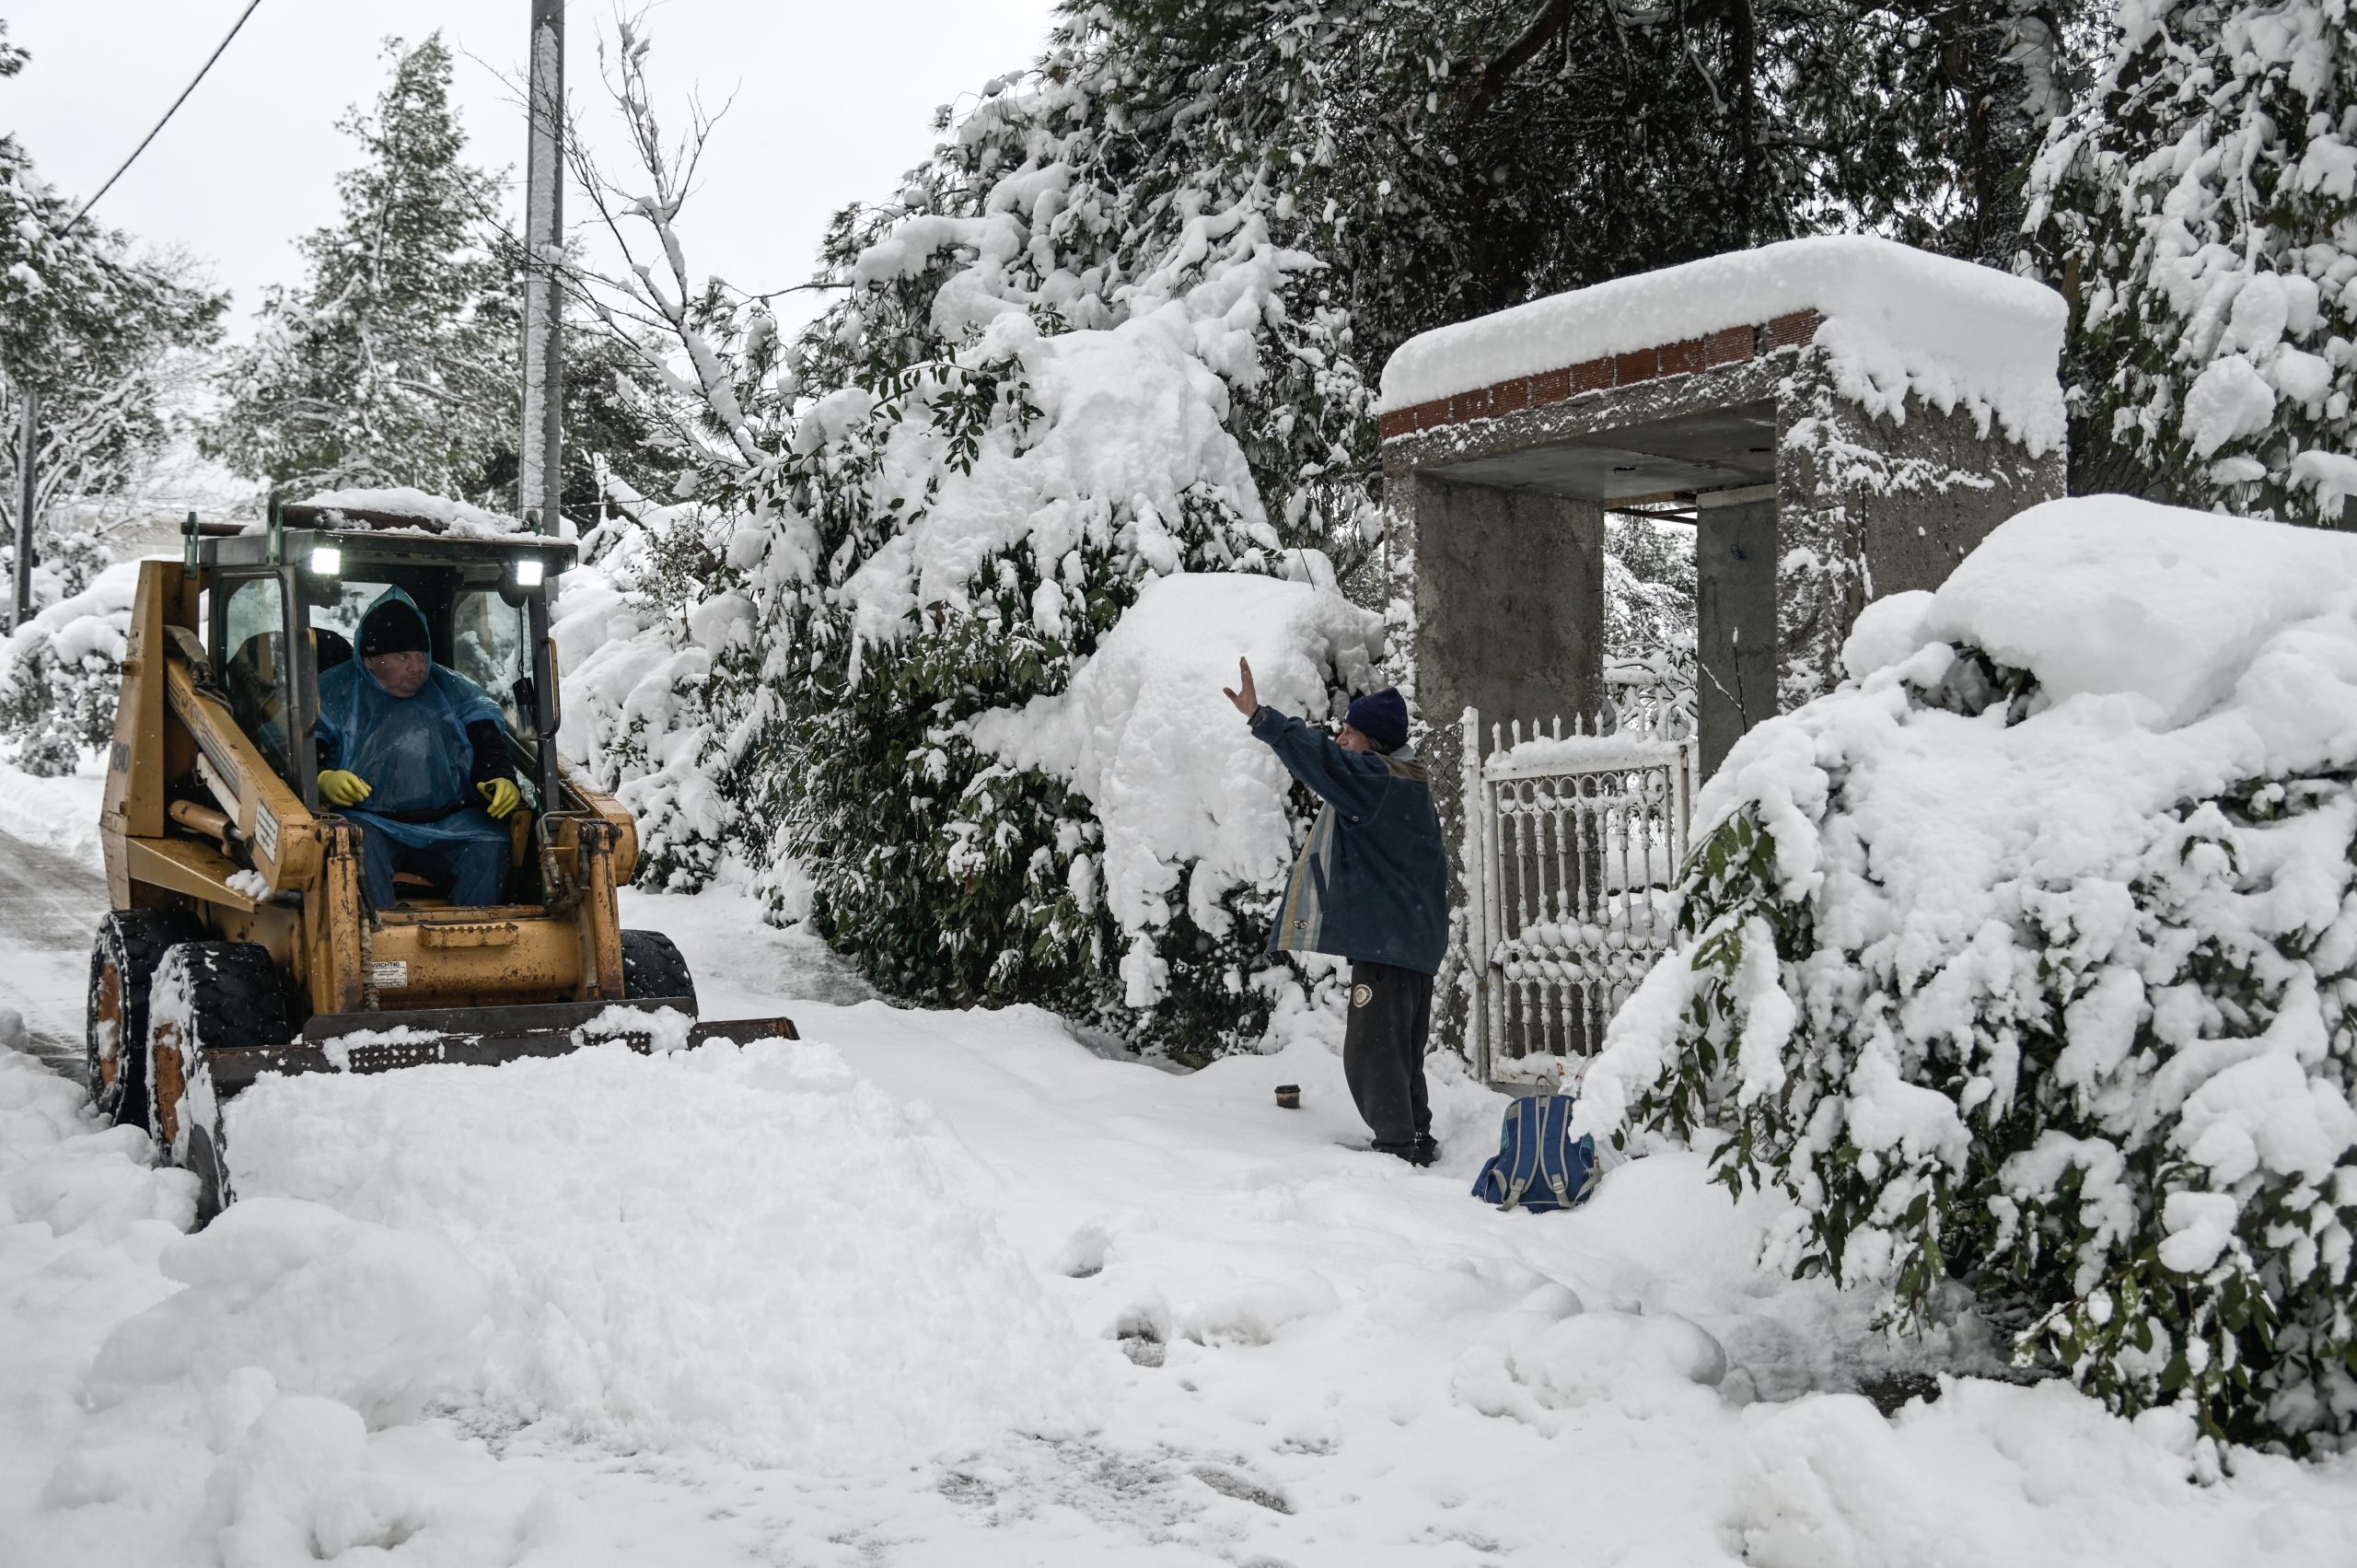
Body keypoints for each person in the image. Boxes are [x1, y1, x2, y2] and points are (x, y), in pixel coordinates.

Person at [1224, 658, 1448, 1164]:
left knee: (1371, 1051)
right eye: (1343, 731)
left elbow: (1323, 761)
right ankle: (1414, 1137)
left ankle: (1397, 1148)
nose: (1343, 739)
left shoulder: (1377, 781)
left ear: (1375, 742)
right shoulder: (1407, 781)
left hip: (1392, 942)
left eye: (1351, 732)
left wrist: (1262, 717)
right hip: (1411, 938)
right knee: (1400, 1051)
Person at [315, 587, 523, 908]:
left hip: (454, 824)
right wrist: (322, 778)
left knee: (489, 847)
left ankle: (480, 941)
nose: (417, 667)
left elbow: (488, 740)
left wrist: (500, 775)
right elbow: (301, 747)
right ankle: (378, 947)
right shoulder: (333, 694)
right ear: (370, 660)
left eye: (421, 655)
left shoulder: (453, 690)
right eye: (403, 657)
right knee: (350, 847)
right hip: (370, 823)